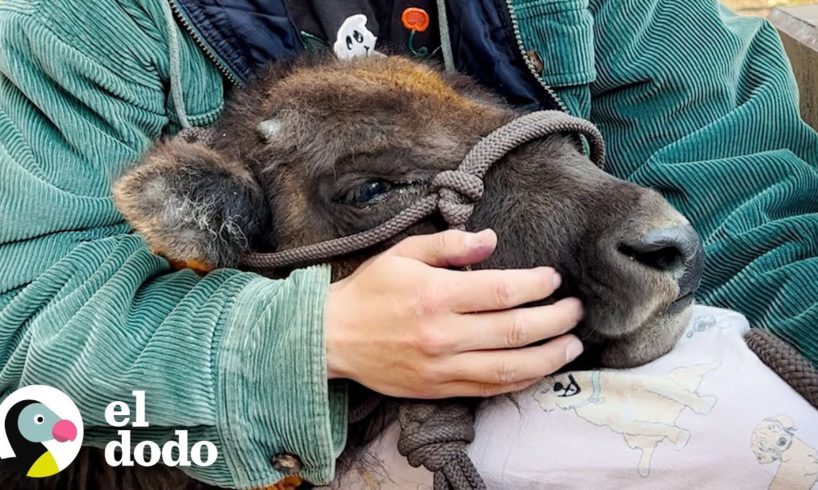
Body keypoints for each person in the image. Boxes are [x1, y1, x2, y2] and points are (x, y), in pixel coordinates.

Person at [0, 0, 815, 488]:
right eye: (369, 189)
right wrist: (316, 338)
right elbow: (24, 319)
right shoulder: (68, 27)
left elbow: (743, 190)